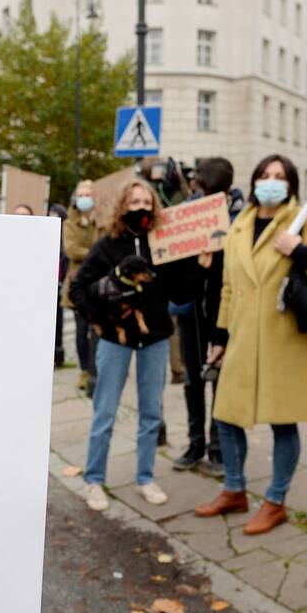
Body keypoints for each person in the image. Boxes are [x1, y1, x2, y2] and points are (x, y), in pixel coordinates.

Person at [193, 155, 307, 533]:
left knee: (283, 423)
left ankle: (275, 500)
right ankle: (234, 490)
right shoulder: (240, 225)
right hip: (241, 339)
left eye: (280, 177)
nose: (271, 182)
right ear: (254, 182)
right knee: (225, 415)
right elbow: (229, 287)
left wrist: (302, 251)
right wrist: (220, 336)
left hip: (285, 341)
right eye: (265, 175)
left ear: (291, 185)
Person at [70, 180, 199, 512]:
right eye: (135, 201)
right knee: (105, 412)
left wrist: (199, 263)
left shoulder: (163, 245)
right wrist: (103, 318)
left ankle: (145, 477)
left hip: (155, 340)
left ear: (155, 208)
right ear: (123, 206)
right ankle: (94, 480)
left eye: (147, 202)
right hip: (116, 341)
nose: (141, 208)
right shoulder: (108, 245)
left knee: (151, 413)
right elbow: (79, 289)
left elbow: (182, 292)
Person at [171, 158, 232, 472]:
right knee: (193, 379)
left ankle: (218, 446)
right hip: (191, 310)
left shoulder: (237, 215)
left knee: (220, 378)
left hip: (223, 310)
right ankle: (196, 443)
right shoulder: (186, 216)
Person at [63, 180, 101, 395]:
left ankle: (95, 369)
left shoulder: (100, 221)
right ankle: (84, 370)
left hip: (96, 284)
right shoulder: (70, 222)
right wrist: (94, 253)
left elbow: (103, 244)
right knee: (80, 331)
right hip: (77, 284)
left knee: (94, 330)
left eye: (88, 193)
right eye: (81, 193)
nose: (84, 197)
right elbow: (71, 250)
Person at [49, 203, 69, 367]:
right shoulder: (44, 233)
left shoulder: (66, 236)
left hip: (59, 283)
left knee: (58, 320)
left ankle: (58, 353)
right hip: (47, 284)